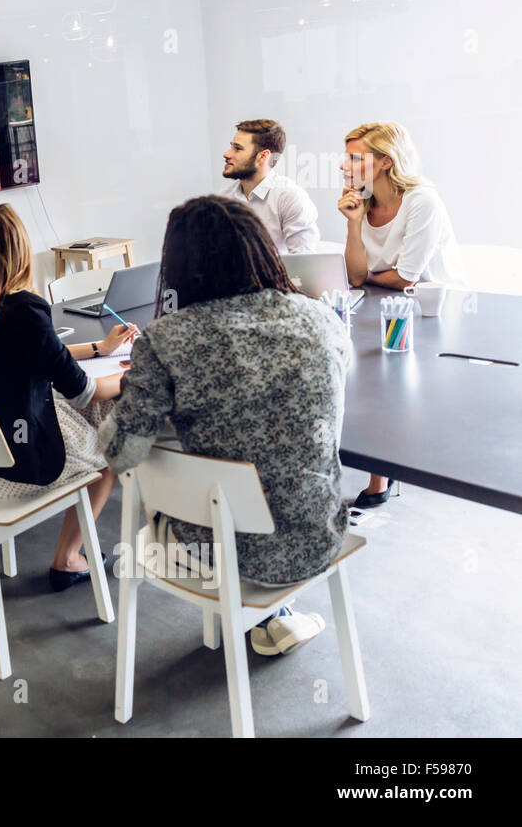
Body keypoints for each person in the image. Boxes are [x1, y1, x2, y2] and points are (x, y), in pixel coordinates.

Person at [99, 195, 351, 656]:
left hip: (210, 553)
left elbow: (122, 454)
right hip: (315, 534)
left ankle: (268, 619)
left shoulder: (166, 338)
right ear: (260, 248)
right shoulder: (320, 318)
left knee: (202, 471)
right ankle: (273, 619)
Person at [0, 204, 137, 593]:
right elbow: (83, 391)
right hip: (24, 459)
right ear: (20, 251)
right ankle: (68, 558)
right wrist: (130, 374)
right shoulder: (28, 310)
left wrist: (100, 348)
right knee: (110, 451)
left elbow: (45, 356)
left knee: (99, 413)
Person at [337, 121, 463, 508]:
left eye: (355, 159)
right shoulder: (362, 202)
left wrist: (376, 277)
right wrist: (354, 224)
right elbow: (357, 274)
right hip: (384, 304)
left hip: (433, 312)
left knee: (385, 376)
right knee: (360, 363)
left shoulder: (422, 201)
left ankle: (382, 475)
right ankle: (384, 464)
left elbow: (408, 276)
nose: (343, 167)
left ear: (386, 162)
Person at [219, 119, 319, 254]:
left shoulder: (289, 197)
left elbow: (304, 263)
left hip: (278, 275)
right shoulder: (224, 198)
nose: (227, 154)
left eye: (237, 148)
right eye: (231, 146)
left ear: (263, 156)